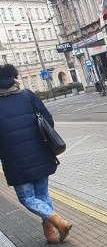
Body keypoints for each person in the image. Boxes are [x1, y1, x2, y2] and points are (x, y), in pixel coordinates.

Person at [0, 64, 72, 244]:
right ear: (14, 79)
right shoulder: (28, 96)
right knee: (42, 195)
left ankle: (58, 222)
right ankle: (51, 234)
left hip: (15, 161)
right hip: (40, 154)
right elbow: (48, 121)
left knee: (27, 198)